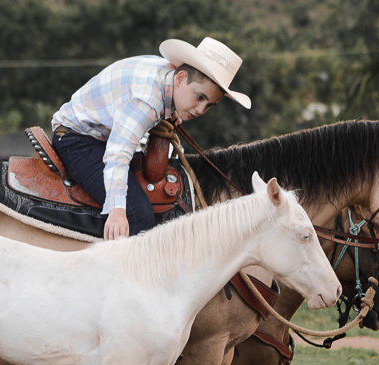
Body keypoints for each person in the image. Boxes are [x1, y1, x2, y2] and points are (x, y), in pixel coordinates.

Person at [51, 37, 252, 240]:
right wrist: (117, 211)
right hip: (77, 138)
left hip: (97, 133)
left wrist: (172, 110)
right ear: (181, 78)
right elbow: (117, 153)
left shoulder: (167, 74)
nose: (201, 110)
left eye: (209, 105)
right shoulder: (147, 102)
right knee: (139, 217)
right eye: (199, 97)